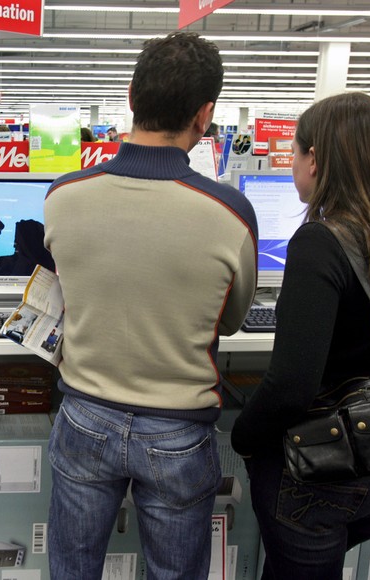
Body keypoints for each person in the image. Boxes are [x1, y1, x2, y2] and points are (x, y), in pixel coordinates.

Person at [43, 31, 258, 580]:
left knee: (72, 570)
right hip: (179, 431)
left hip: (85, 415)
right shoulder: (230, 212)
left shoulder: (62, 198)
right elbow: (230, 322)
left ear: (132, 96)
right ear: (205, 115)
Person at [230, 92, 370, 580]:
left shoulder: (320, 242)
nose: (294, 166)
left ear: (315, 159)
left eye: (296, 154)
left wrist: (243, 439)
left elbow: (291, 386)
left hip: (322, 473)